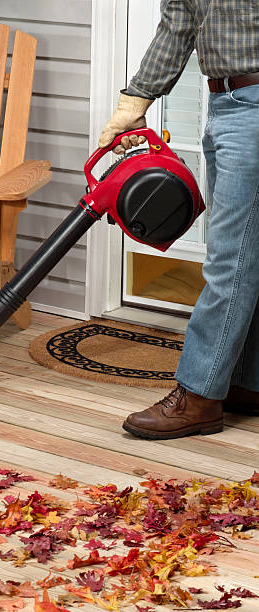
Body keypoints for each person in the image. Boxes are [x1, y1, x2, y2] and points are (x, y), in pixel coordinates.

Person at [99, 0, 259, 440]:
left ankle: (199, 397)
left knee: (231, 259)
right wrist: (133, 101)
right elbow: (178, 24)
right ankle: (246, 383)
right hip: (224, 104)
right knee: (249, 252)